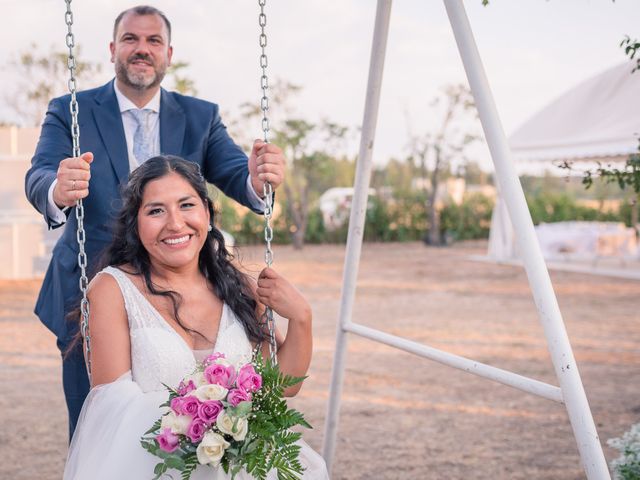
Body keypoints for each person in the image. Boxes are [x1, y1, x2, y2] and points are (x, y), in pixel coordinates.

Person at [24, 5, 286, 438]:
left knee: (186, 422)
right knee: (94, 426)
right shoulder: (72, 109)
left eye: (152, 41)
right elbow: (40, 173)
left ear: (168, 53)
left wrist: (259, 181)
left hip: (175, 294)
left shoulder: (200, 116)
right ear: (112, 49)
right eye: (130, 39)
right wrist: (57, 187)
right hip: (88, 290)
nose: (141, 49)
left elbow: (239, 176)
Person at [63, 155, 328, 479]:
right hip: (150, 466)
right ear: (135, 222)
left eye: (186, 205)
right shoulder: (111, 290)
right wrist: (205, 416)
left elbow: (281, 386)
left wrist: (301, 318)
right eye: (156, 210)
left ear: (206, 211)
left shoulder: (239, 286)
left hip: (240, 465)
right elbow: (112, 402)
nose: (175, 223)